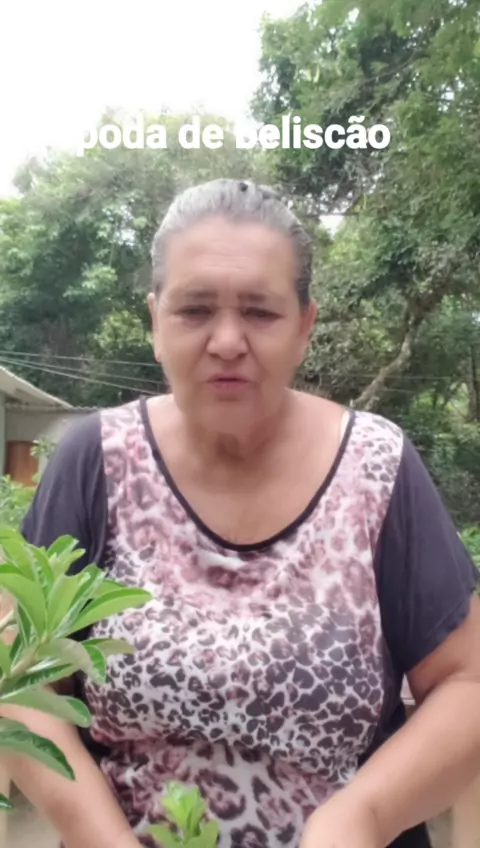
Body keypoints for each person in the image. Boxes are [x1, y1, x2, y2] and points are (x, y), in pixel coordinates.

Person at [5, 178, 480, 848]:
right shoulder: (96, 462)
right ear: (155, 322)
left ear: (305, 326)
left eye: (260, 312)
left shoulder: (378, 468)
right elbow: (20, 680)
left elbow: (466, 681)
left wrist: (361, 816)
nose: (227, 340)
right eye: (195, 309)